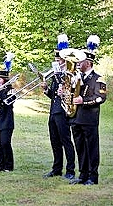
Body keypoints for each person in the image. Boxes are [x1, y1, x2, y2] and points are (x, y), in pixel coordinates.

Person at [70, 38, 106, 186]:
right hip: (76, 118)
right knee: (80, 148)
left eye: (80, 61)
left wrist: (83, 101)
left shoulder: (98, 78)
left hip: (89, 119)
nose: (78, 63)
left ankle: (93, 177)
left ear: (88, 63)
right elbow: (72, 95)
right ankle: (83, 174)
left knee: (91, 148)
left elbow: (100, 98)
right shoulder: (77, 77)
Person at [41, 42, 76, 180]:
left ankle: (70, 170)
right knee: (54, 141)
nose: (57, 62)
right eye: (56, 60)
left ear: (64, 61)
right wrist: (46, 90)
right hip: (53, 111)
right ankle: (56, 169)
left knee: (66, 141)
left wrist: (65, 92)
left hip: (63, 111)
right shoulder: (56, 75)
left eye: (59, 60)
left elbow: (72, 94)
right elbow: (54, 95)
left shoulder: (69, 74)